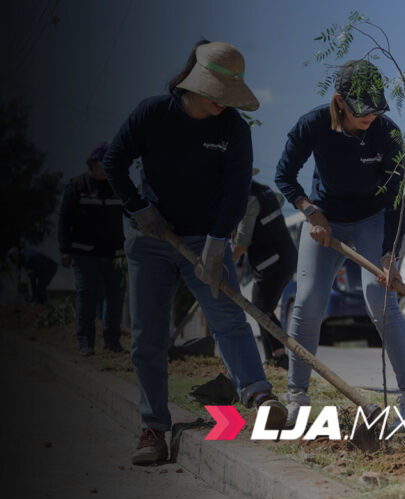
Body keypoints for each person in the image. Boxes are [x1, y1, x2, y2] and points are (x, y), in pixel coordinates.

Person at [102, 40, 287, 465]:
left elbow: (237, 192)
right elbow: (114, 163)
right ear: (195, 87)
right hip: (153, 240)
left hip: (205, 239)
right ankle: (154, 428)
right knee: (149, 335)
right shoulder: (152, 115)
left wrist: (218, 242)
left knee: (228, 317)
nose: (225, 105)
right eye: (218, 96)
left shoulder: (234, 130)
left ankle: (260, 397)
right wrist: (139, 207)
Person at [274, 60, 405, 429]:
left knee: (381, 298)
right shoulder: (312, 125)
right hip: (325, 220)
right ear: (340, 101)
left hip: (373, 218)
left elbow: (396, 200)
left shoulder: (387, 134)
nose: (371, 116)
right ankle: (297, 397)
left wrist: (390, 254)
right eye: (363, 108)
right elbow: (284, 175)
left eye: (377, 108)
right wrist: (310, 212)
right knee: (308, 301)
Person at [57, 141, 126, 356]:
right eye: (102, 164)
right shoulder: (77, 186)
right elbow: (64, 219)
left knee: (115, 295)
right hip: (83, 252)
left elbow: (132, 213)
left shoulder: (117, 186)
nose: (105, 168)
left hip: (113, 253)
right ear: (93, 163)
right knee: (88, 294)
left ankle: (112, 342)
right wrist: (65, 249)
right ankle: (85, 342)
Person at [232, 169, 297, 369]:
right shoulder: (265, 192)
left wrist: (226, 262)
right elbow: (280, 200)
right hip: (285, 258)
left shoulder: (249, 200)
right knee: (262, 307)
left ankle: (279, 357)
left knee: (261, 308)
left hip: (272, 262)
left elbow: (242, 241)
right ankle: (273, 358)